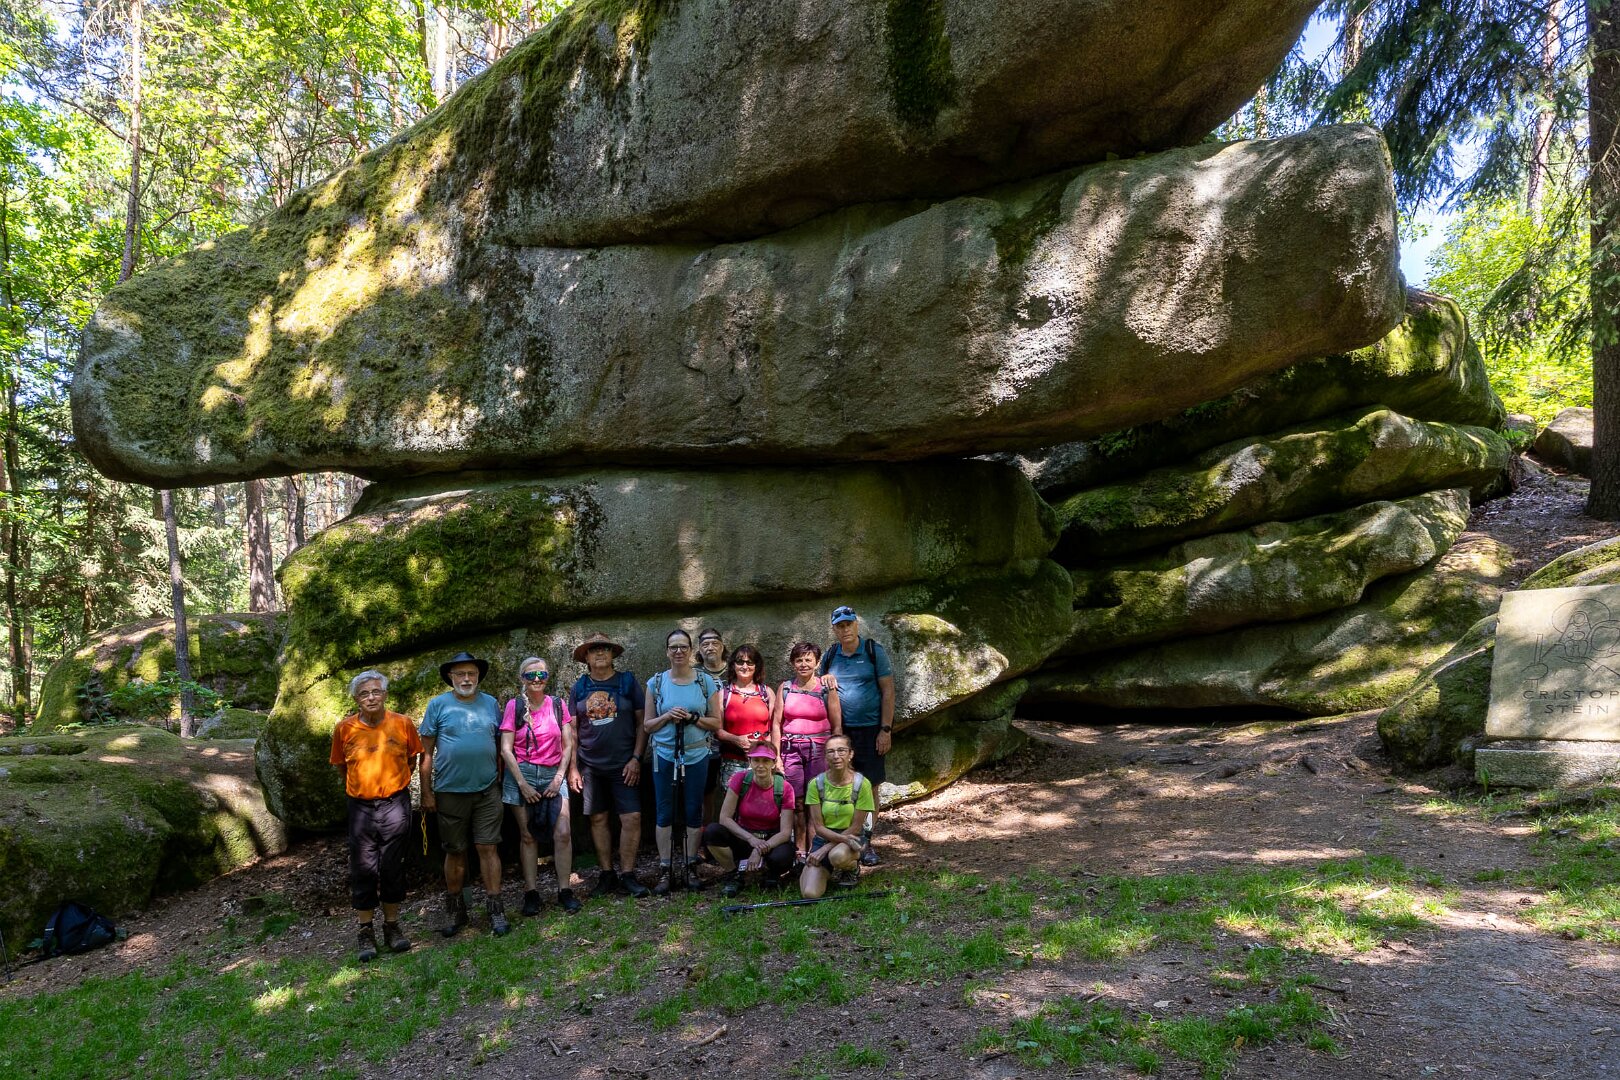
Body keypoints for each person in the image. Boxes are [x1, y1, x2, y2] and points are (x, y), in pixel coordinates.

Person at [329, 670, 422, 962]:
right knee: (363, 868)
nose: (371, 697)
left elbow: (412, 758)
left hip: (395, 802)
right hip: (360, 807)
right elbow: (341, 767)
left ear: (385, 694)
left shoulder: (403, 723)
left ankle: (392, 926)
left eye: (376, 692)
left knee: (393, 866)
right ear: (356, 698)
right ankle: (365, 930)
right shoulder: (344, 729)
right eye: (364, 693)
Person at [419, 651, 508, 936]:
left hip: (487, 790)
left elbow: (501, 746)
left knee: (488, 847)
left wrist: (500, 781)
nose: (466, 679)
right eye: (460, 674)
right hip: (449, 791)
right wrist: (427, 793)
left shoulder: (492, 704)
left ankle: (496, 910)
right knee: (455, 851)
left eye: (471, 673)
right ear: (450, 678)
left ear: (479, 676)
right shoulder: (438, 705)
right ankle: (456, 912)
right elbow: (426, 752)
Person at [567, 632, 651, 898]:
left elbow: (642, 723)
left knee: (632, 817)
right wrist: (573, 767)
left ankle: (627, 873)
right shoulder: (579, 687)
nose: (600, 652)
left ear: (613, 654)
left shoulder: (627, 682)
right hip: (590, 765)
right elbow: (572, 731)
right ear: (586, 658)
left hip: (625, 764)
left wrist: (637, 758)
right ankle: (606, 874)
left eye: (604, 648)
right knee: (598, 817)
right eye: (593, 650)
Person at [500, 656, 581, 915]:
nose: (537, 680)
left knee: (563, 832)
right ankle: (531, 893)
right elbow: (506, 749)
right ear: (522, 679)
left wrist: (559, 778)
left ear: (548, 678)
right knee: (527, 835)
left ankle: (564, 890)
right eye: (531, 675)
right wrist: (522, 784)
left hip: (552, 773)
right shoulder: (513, 707)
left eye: (542, 675)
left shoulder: (557, 705)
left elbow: (568, 744)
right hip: (521, 773)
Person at [643, 628, 721, 894]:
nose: (678, 651)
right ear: (667, 651)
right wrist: (667, 717)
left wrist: (692, 719)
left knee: (693, 809)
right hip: (664, 754)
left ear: (691, 651)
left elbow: (716, 721)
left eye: (683, 647)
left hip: (697, 754)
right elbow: (648, 725)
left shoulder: (705, 682)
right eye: (673, 647)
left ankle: (689, 865)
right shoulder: (655, 683)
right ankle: (666, 868)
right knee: (664, 811)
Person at [817, 606, 894, 866]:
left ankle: (867, 842)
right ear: (834, 629)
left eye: (849, 624)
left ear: (856, 624)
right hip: (841, 732)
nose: (845, 629)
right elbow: (819, 688)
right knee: (843, 785)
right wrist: (824, 677)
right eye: (840, 625)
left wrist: (885, 730)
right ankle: (845, 839)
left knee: (869, 787)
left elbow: (888, 692)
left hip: (871, 729)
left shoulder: (873, 651)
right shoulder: (830, 656)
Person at [772, 641, 841, 861]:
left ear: (817, 662)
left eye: (808, 659)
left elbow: (837, 724)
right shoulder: (785, 687)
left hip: (819, 750)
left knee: (816, 801)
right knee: (797, 801)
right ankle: (799, 850)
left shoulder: (826, 688)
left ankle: (815, 849)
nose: (803, 664)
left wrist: (836, 755)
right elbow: (776, 724)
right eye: (799, 660)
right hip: (791, 750)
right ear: (793, 663)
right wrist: (776, 756)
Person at [702, 742, 796, 897]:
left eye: (766, 761)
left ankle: (771, 874)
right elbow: (724, 818)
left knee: (784, 855)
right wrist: (751, 839)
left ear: (773, 763)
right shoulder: (740, 779)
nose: (760, 765)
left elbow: (785, 832)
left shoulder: (784, 788)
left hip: (769, 839)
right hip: (744, 836)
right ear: (750, 762)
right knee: (712, 832)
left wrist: (759, 848)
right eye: (756, 760)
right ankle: (734, 874)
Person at [799, 734, 875, 899]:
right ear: (825, 756)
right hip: (824, 837)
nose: (836, 756)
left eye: (841, 750)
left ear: (850, 754)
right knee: (810, 894)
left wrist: (825, 849)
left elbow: (856, 827)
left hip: (852, 838)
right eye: (831, 752)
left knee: (837, 856)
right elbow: (818, 826)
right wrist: (821, 848)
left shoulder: (862, 784)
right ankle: (816, 869)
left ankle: (851, 868)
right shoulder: (816, 784)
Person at [715, 644, 774, 788]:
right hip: (732, 762)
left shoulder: (767, 693)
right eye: (740, 662)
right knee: (733, 807)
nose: (745, 666)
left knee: (761, 806)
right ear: (733, 665)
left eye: (750, 662)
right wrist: (736, 740)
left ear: (756, 666)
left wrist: (762, 744)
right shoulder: (724, 694)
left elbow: (775, 728)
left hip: (762, 761)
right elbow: (717, 730)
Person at [696, 628, 728, 825]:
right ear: (699, 649)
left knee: (734, 788)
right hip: (706, 742)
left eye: (714, 643)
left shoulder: (735, 669)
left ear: (722, 646)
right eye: (705, 644)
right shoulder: (694, 674)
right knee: (705, 791)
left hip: (734, 739)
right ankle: (704, 836)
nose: (710, 648)